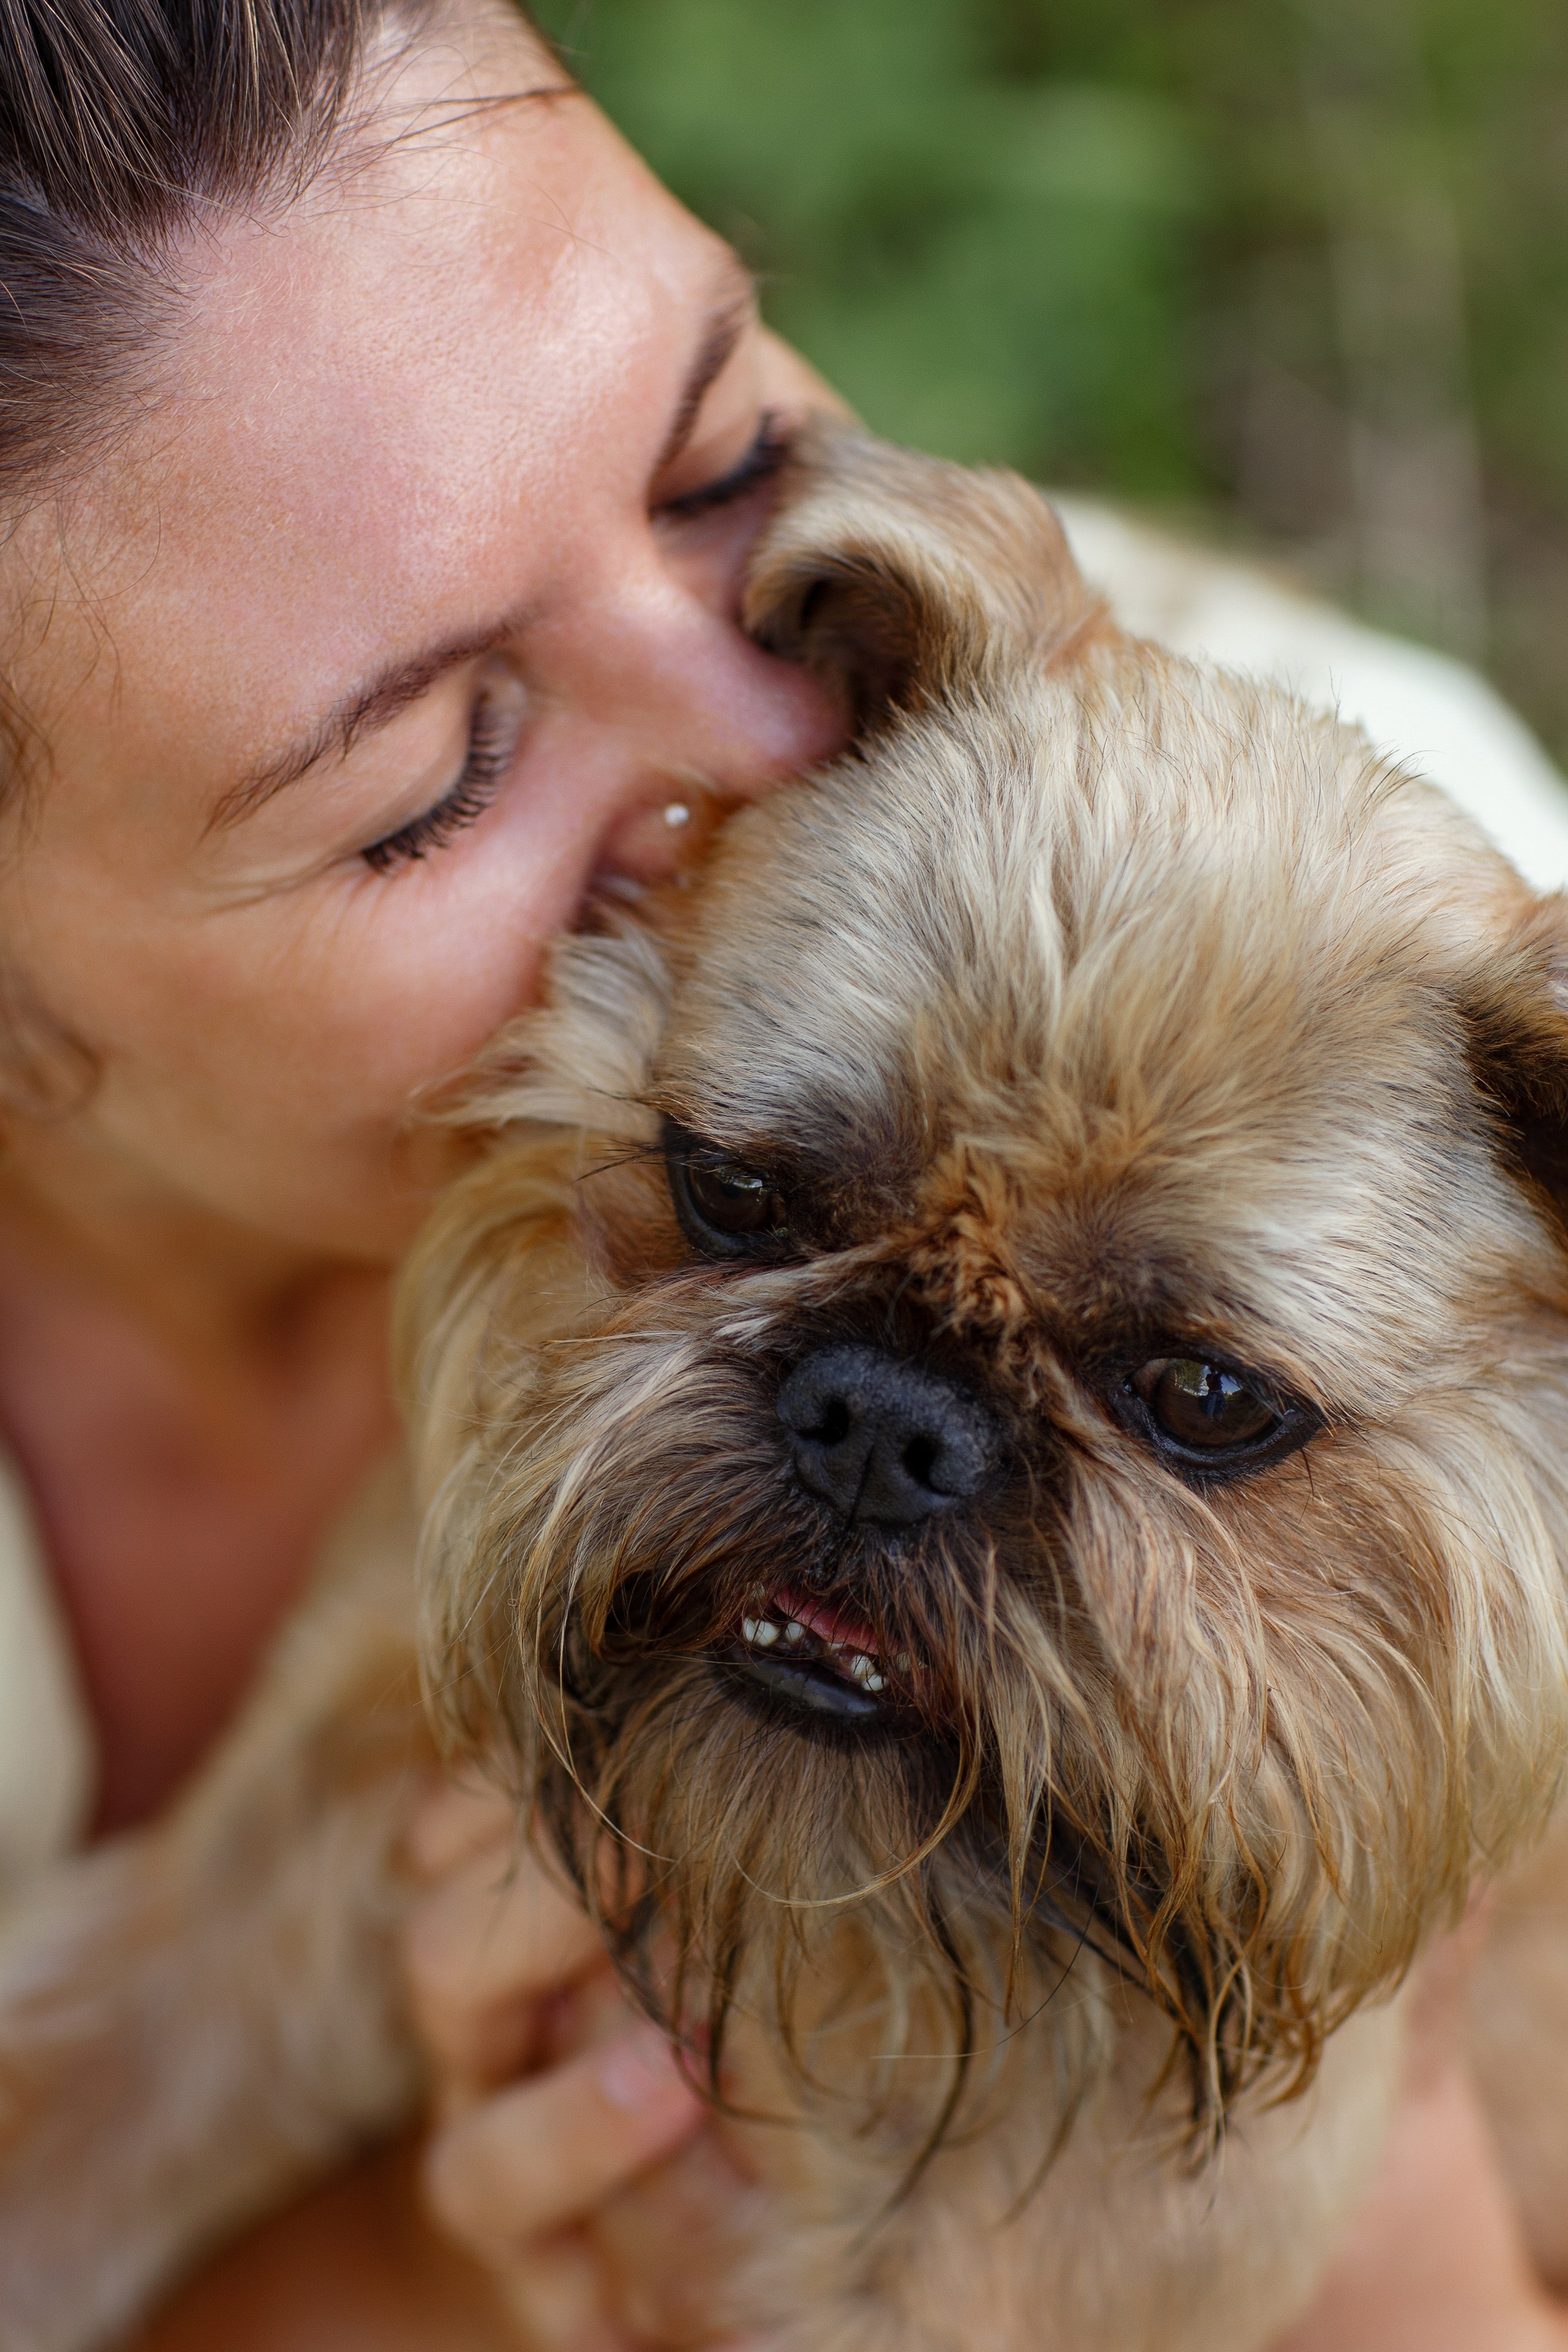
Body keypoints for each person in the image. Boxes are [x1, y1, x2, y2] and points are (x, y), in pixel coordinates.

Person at [0, 1, 1559, 2343]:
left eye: (732, 459)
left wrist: (1387, 2182)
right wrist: (429, 2275)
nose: (759, 724)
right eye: (434, 773)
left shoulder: (1390, 896)